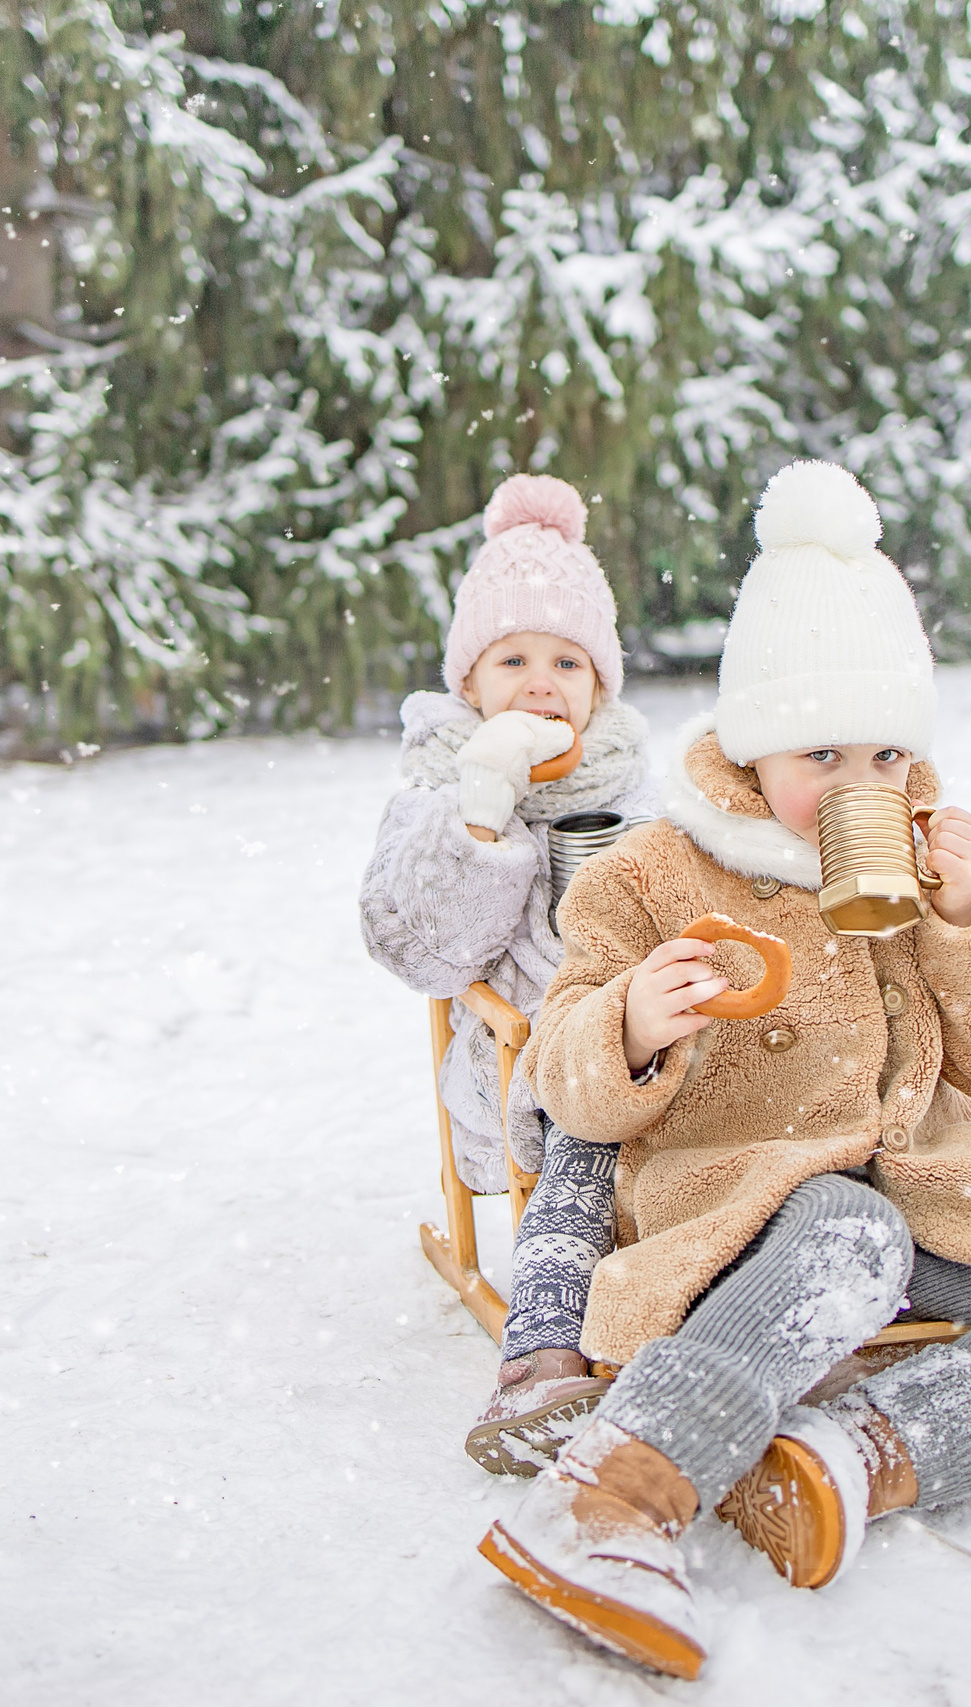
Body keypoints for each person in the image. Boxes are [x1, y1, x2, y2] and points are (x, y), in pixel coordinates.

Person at [478, 460, 971, 1679]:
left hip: (921, 1182)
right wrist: (633, 1021)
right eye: (821, 753)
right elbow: (559, 1077)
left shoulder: (929, 866)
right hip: (743, 1195)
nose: (858, 785)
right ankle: (613, 1495)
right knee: (846, 1233)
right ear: (755, 750)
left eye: (885, 755)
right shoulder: (654, 875)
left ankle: (853, 1456)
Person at [358, 473, 661, 1474]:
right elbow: (425, 953)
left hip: (643, 1043)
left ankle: (707, 1283)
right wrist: (484, 806)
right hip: (517, 1063)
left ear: (600, 684)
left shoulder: (634, 789)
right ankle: (554, 1339)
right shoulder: (436, 792)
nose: (542, 682)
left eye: (568, 660)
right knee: (587, 1125)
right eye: (514, 658)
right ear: (470, 683)